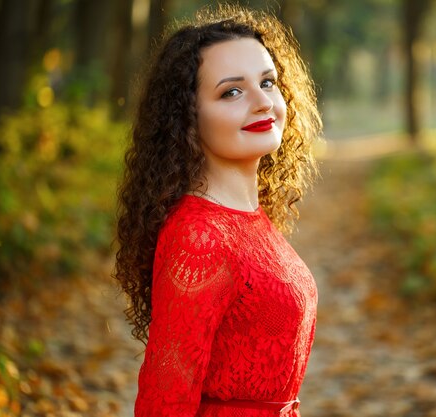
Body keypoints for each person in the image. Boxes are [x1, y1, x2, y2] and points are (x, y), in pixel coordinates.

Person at [113, 4, 322, 417]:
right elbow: (165, 399)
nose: (263, 102)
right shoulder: (199, 237)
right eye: (232, 91)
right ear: (188, 119)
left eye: (268, 82)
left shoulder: (249, 220)